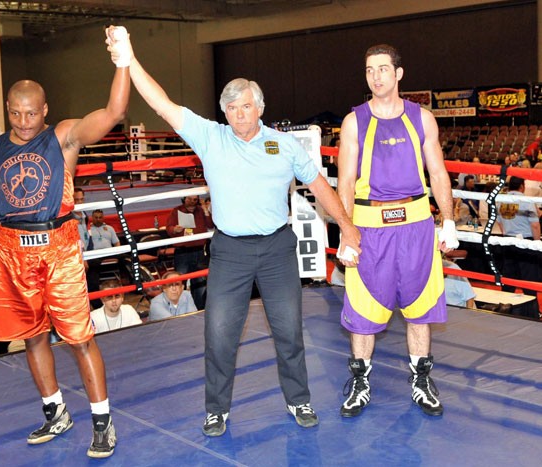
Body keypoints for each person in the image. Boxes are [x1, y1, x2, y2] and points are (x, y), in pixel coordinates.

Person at [126, 37, 361, 436]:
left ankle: (299, 399)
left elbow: (320, 187)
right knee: (219, 333)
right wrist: (129, 59)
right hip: (230, 250)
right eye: (231, 107)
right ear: (224, 112)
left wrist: (349, 227)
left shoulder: (284, 145)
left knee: (288, 330)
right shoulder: (210, 137)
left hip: (276, 248)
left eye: (246, 105)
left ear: (260, 108)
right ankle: (217, 409)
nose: (238, 114)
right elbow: (162, 104)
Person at [0, 25, 132, 458]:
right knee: (32, 337)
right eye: (15, 113)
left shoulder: (63, 136)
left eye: (30, 114)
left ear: (45, 110)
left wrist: (123, 60)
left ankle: (102, 420)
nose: (22, 122)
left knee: (78, 337)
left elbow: (112, 113)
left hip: (59, 248)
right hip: (12, 250)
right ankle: (56, 411)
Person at [337, 44, 458, 418]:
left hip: (417, 225)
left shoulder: (422, 118)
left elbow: (437, 173)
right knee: (363, 308)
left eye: (383, 69)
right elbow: (344, 180)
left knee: (420, 308)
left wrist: (449, 219)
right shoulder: (354, 121)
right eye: (370, 69)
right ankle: (360, 382)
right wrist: (345, 230)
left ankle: (421, 379)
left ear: (398, 74)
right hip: (370, 228)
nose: (376, 76)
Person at [497, 176, 541, 318]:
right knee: (529, 279)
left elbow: (500, 224)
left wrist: (506, 236)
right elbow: (534, 224)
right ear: (522, 186)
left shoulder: (501, 200)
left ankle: (505, 309)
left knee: (509, 278)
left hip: (508, 242)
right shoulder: (527, 201)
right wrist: (536, 243)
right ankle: (532, 313)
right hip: (525, 243)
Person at [165, 195, 214, 309]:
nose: (193, 201)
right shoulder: (176, 211)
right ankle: (179, 309)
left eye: (195, 199)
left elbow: (210, 225)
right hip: (183, 252)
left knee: (200, 283)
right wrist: (175, 229)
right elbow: (169, 229)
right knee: (180, 282)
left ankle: (199, 309)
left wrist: (206, 210)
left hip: (199, 251)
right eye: (190, 199)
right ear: (184, 199)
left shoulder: (201, 210)